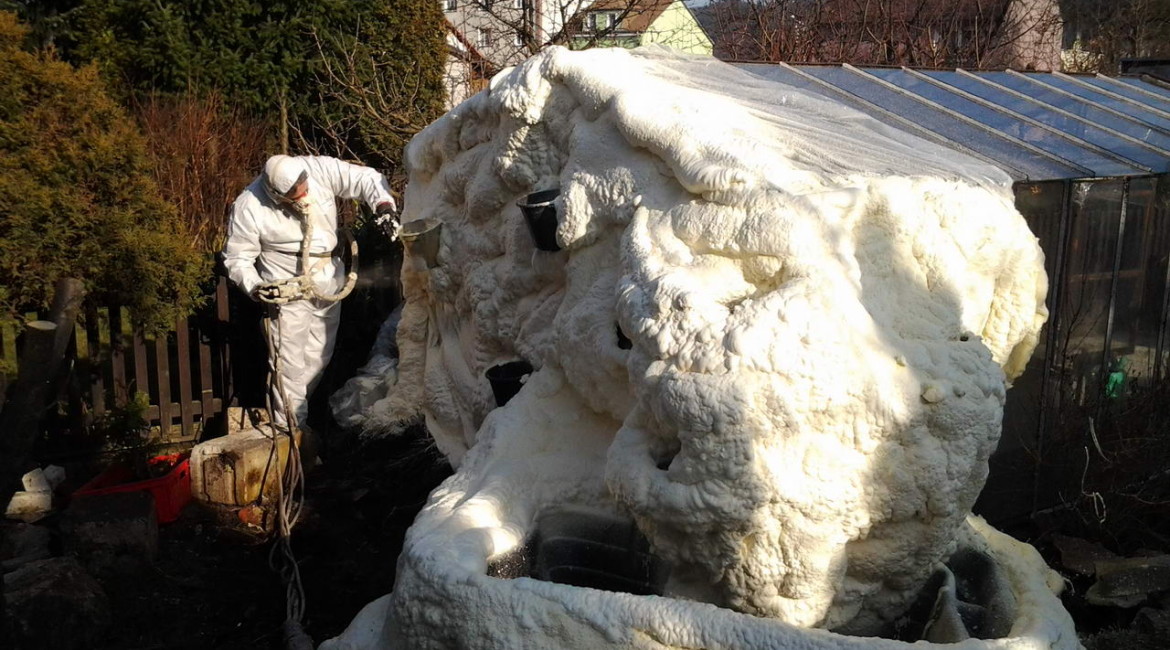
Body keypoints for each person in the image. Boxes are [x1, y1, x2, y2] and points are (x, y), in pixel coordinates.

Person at [222, 154, 397, 433]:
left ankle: (294, 419)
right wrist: (255, 287)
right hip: (287, 291)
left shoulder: (319, 169)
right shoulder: (249, 205)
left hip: (328, 282)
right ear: (276, 195)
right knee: (289, 364)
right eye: (295, 193)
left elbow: (366, 178)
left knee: (318, 358)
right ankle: (290, 432)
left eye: (304, 186)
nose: (303, 193)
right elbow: (237, 258)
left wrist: (384, 205)